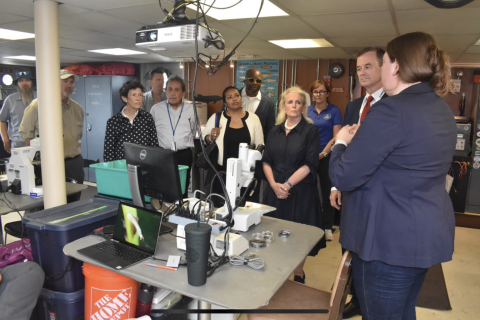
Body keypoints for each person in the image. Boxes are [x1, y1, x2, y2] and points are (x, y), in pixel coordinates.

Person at [329, 32, 456, 320]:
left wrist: (341, 143)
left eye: (384, 62)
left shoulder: (391, 110)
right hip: (421, 235)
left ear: (396, 67)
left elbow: (345, 175)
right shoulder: (439, 108)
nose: (382, 69)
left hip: (386, 242)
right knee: (402, 311)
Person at [329, 47, 386, 319]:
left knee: (370, 253)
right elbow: (347, 147)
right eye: (359, 68)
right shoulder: (354, 105)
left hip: (376, 192)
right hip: (349, 188)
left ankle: (369, 303)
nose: (362, 72)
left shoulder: (391, 105)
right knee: (348, 246)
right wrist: (336, 185)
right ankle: (356, 297)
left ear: (385, 67)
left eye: (368, 67)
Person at [262, 86, 325, 284]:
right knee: (274, 233)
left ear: (304, 106)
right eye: (290, 102)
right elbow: (266, 161)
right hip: (275, 189)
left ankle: (299, 274)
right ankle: (277, 274)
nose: (294, 106)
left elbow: (310, 163)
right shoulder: (274, 130)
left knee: (298, 236)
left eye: (298, 102)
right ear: (283, 105)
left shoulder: (310, 131)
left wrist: (287, 185)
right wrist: (274, 185)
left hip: (300, 190)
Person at [19, 69, 85, 186]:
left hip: (74, 162)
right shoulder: (37, 106)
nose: (70, 85)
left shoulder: (77, 108)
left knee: (74, 199)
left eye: (71, 82)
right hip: (49, 163)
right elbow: (25, 134)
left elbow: (78, 136)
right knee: (52, 201)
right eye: (65, 81)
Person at [202, 86, 264, 204]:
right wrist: (211, 137)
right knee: (220, 206)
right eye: (230, 97)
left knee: (244, 206)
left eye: (237, 96)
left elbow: (260, 144)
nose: (234, 99)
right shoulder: (217, 117)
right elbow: (204, 138)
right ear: (225, 102)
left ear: (241, 98)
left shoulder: (253, 118)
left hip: (246, 174)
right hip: (222, 172)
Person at [307, 80, 342, 241]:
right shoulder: (307, 111)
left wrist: (322, 154)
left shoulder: (334, 111)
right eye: (315, 92)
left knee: (329, 191)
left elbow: (336, 137)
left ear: (327, 93)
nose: (318, 95)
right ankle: (311, 223)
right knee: (309, 190)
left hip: (327, 156)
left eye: (321, 91)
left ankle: (327, 226)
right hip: (309, 155)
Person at [150, 75, 194, 198]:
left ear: (183, 93)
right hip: (163, 154)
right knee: (163, 186)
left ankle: (181, 212)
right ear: (165, 92)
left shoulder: (192, 109)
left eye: (176, 90)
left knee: (182, 187)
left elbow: (195, 129)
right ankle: (164, 213)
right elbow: (151, 131)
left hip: (184, 154)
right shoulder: (156, 109)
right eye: (169, 89)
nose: (173, 93)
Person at [103, 79, 159, 162]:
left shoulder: (147, 118)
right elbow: (109, 152)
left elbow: (154, 146)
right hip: (122, 168)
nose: (138, 98)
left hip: (144, 166)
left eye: (140, 95)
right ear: (124, 98)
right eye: (134, 95)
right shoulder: (113, 122)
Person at [0, 70, 37, 153]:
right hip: (18, 144)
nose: (24, 83)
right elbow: (2, 120)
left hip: (38, 142)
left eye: (27, 80)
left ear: (32, 83)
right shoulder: (10, 100)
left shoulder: (40, 97)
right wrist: (5, 140)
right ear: (17, 84)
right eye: (21, 81)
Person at [241, 68, 275, 143]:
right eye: (251, 80)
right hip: (234, 147)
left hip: (258, 148)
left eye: (258, 81)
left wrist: (265, 149)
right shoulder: (233, 98)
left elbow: (270, 129)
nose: (255, 83)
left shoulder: (268, 102)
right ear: (244, 81)